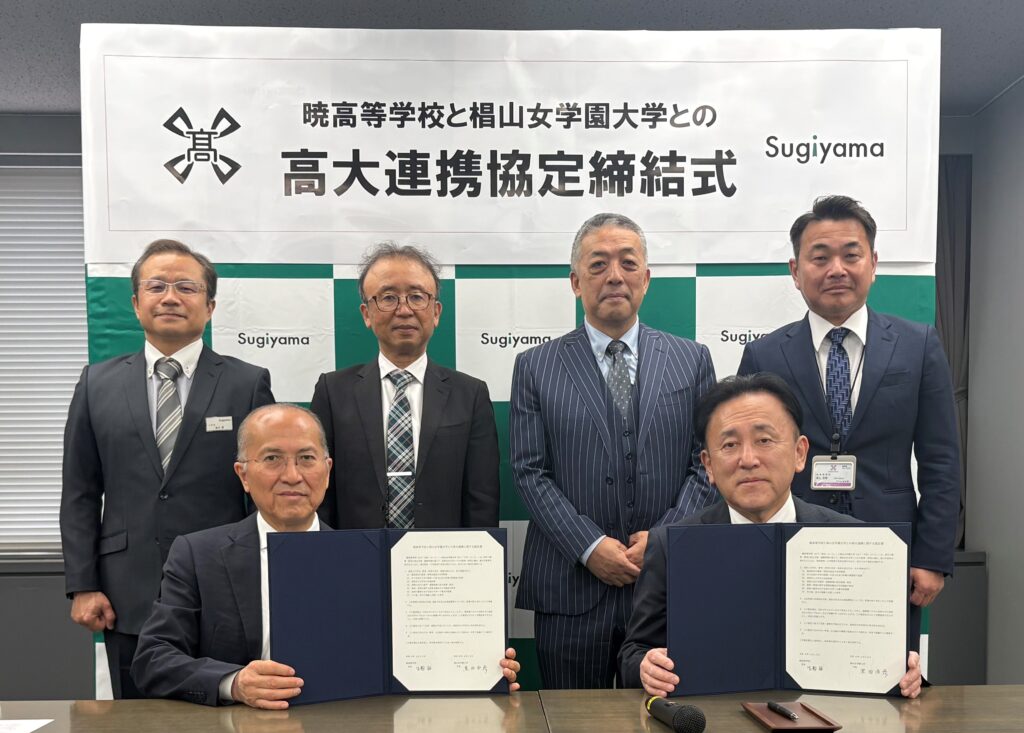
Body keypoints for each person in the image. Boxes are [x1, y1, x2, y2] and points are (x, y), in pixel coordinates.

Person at [131, 404, 520, 707]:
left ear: (328, 470)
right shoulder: (198, 555)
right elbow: (152, 659)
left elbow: (407, 664)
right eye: (272, 459)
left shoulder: (374, 560)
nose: (292, 475)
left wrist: (478, 669)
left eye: (306, 458)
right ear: (243, 475)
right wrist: (234, 683)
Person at [618, 373, 923, 699]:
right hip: (712, 716)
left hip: (830, 715)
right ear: (708, 465)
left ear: (799, 453)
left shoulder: (858, 544)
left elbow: (892, 660)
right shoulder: (671, 546)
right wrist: (646, 667)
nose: (748, 460)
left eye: (764, 440)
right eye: (730, 445)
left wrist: (906, 673)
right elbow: (634, 652)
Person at [60, 239, 275, 698]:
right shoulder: (96, 383)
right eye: (156, 286)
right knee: (135, 721)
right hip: (125, 594)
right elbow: (80, 492)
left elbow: (264, 489)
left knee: (229, 709)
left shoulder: (246, 382)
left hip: (224, 590)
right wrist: (82, 585)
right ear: (136, 303)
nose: (170, 297)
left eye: (186, 287)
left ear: (210, 305)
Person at [510, 213, 717, 688]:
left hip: (665, 585)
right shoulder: (535, 366)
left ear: (646, 278)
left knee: (665, 713)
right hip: (570, 588)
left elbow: (705, 465)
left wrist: (663, 540)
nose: (615, 276)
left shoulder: (692, 359)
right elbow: (528, 472)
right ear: (575, 282)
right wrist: (589, 547)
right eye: (598, 264)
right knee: (573, 719)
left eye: (628, 263)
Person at [737, 195, 960, 608]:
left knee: (885, 652)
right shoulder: (764, 355)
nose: (836, 269)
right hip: (790, 546)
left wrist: (932, 555)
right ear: (796, 271)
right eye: (820, 257)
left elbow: (941, 460)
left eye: (851, 255)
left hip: (891, 548)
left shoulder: (917, 346)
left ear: (873, 264)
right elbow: (749, 460)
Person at [311, 243, 499, 529]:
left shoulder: (470, 395)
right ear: (366, 313)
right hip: (355, 551)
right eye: (388, 298)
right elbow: (320, 493)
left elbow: (481, 499)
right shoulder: (333, 392)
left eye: (416, 297)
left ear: (436, 312)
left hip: (441, 554)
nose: (404, 310)